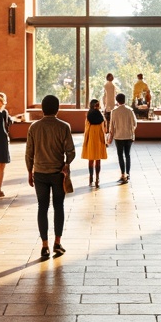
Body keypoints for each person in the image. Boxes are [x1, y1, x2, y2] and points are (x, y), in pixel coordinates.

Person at [25, 94, 75, 258]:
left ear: (42, 108)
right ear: (57, 108)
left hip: (39, 173)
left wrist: (29, 171)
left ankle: (44, 246)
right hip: (57, 173)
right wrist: (66, 164)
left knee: (42, 207)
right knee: (58, 207)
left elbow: (29, 153)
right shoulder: (64, 126)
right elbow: (71, 152)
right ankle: (57, 243)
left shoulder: (34, 127)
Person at [108, 92, 138, 184]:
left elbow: (111, 126)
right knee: (127, 155)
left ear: (117, 101)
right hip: (128, 136)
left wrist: (111, 136)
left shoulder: (114, 111)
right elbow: (135, 124)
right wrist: (131, 131)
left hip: (118, 136)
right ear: (125, 100)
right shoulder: (130, 110)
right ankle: (128, 174)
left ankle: (122, 174)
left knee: (120, 155)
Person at [81, 98, 108, 187]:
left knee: (91, 159)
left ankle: (91, 177)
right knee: (98, 159)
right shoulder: (101, 116)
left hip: (91, 139)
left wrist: (86, 140)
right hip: (99, 139)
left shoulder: (88, 116)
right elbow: (103, 129)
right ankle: (97, 177)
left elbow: (86, 129)